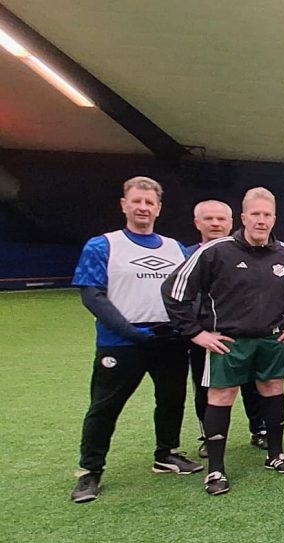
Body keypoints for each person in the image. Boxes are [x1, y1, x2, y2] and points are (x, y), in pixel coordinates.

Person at [162, 187, 284, 496]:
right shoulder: (216, 251)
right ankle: (216, 469)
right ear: (243, 217)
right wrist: (196, 333)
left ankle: (275, 455)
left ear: (274, 218)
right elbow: (173, 291)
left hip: (272, 340)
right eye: (255, 214)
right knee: (222, 396)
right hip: (228, 341)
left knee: (273, 390)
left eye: (267, 214)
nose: (261, 220)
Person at [70, 177, 201, 503]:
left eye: (149, 202)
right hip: (121, 340)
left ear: (159, 208)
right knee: (105, 405)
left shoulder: (175, 248)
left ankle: (166, 454)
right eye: (137, 201)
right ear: (124, 205)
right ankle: (90, 470)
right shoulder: (103, 245)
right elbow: (92, 295)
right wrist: (130, 331)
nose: (143, 207)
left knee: (171, 399)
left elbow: (187, 291)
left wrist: (183, 327)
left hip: (169, 338)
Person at [185, 200, 265, 458]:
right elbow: (177, 294)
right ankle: (209, 438)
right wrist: (196, 331)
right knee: (208, 388)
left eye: (221, 219)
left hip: (247, 335)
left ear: (232, 222)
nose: (215, 224)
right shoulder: (188, 254)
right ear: (197, 223)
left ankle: (259, 429)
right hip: (209, 336)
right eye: (209, 219)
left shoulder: (247, 252)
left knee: (254, 384)